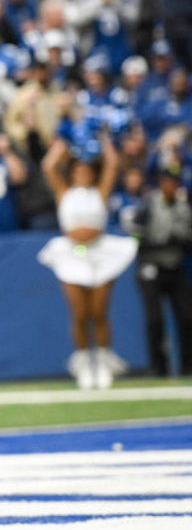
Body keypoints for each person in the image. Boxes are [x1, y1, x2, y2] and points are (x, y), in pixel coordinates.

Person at [39, 134, 137, 389]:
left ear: (91, 173)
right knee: (80, 314)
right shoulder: (64, 193)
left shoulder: (100, 192)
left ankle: (103, 360)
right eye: (78, 170)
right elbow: (49, 167)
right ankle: (84, 362)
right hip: (73, 254)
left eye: (86, 170)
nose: (82, 174)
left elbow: (113, 165)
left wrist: (103, 139)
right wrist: (63, 139)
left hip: (99, 253)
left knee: (99, 312)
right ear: (72, 173)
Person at [121, 164, 192, 377]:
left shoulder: (185, 205)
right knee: (154, 318)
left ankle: (187, 365)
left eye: (173, 181)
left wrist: (178, 243)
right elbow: (136, 236)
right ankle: (157, 367)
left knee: (187, 316)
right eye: (166, 181)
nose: (170, 185)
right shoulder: (148, 204)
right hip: (151, 265)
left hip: (175, 265)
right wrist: (155, 244)